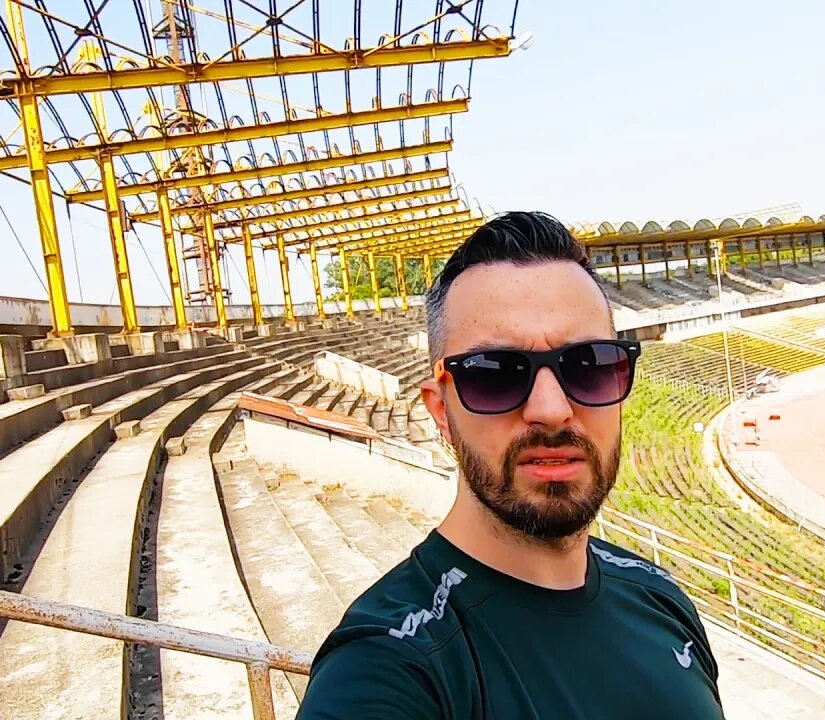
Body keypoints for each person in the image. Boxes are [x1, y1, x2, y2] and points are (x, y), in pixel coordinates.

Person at [297, 211, 725, 719]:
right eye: (494, 375)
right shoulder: (389, 665)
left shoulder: (660, 596)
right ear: (440, 409)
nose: (551, 409)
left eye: (589, 366)